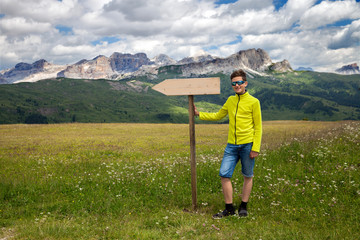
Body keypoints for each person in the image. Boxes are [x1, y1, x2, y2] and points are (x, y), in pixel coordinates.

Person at [194, 69, 262, 219]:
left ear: (245, 83)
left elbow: (258, 126)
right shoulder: (230, 101)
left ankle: (243, 206)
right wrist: (199, 114)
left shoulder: (254, 102)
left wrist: (255, 148)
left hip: (248, 145)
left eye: (239, 82)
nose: (237, 85)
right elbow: (219, 115)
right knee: (224, 174)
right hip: (231, 145)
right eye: (234, 83)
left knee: (248, 175)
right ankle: (229, 208)